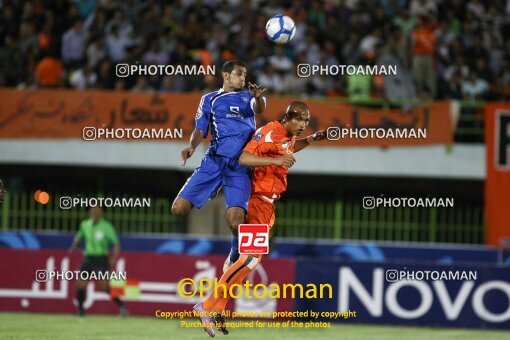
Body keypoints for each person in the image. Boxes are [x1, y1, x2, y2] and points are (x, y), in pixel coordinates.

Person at [193, 101, 327, 337]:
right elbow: (245, 158)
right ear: (288, 117)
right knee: (250, 259)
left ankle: (217, 308)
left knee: (242, 259)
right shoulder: (269, 132)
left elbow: (288, 148)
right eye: (300, 120)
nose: (303, 125)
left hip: (267, 204)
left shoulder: (284, 137)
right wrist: (276, 162)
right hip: (257, 200)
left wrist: (315, 137)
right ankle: (206, 305)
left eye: (307, 121)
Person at [172, 60, 285, 270]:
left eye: (244, 74)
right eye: (239, 74)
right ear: (225, 76)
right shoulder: (209, 99)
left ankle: (233, 257)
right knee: (178, 209)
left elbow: (259, 108)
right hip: (214, 162)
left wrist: (258, 98)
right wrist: (191, 147)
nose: (243, 78)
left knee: (235, 222)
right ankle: (212, 188)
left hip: (240, 167)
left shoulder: (249, 96)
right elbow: (199, 129)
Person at [69, 206, 128, 317]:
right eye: (93, 209)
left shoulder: (106, 226)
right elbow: (79, 236)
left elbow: (115, 243)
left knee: (104, 287)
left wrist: (113, 259)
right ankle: (80, 310)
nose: (95, 211)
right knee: (80, 284)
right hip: (88, 258)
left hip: (101, 259)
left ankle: (122, 306)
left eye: (98, 209)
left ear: (101, 212)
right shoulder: (85, 224)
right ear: (90, 211)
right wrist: (75, 245)